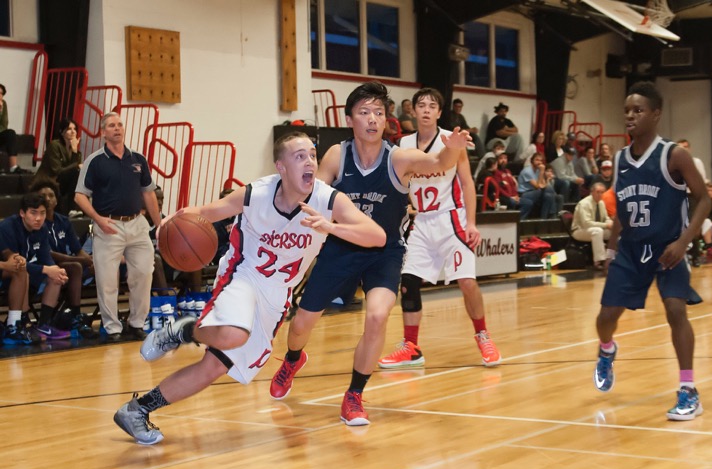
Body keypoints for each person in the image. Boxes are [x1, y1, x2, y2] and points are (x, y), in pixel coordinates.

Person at [115, 131, 386, 445]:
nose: (310, 161)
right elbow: (209, 211)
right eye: (300, 156)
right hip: (241, 276)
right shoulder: (255, 194)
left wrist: (330, 227)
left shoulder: (328, 200)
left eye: (312, 155)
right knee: (233, 334)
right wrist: (170, 222)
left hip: (276, 295)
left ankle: (137, 410)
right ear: (280, 167)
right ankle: (184, 331)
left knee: (214, 367)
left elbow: (377, 236)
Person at [266, 81, 472, 427]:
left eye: (379, 112)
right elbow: (313, 192)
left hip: (384, 251)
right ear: (351, 119)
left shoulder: (399, 158)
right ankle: (292, 359)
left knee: (377, 316)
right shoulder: (336, 156)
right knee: (302, 322)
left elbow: (438, 161)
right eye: (365, 112)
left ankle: (354, 395)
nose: (373, 119)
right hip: (341, 247)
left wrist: (451, 149)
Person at [593, 81, 711, 421]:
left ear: (656, 114)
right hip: (631, 250)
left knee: (676, 310)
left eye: (638, 110)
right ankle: (606, 350)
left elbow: (703, 198)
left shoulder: (674, 154)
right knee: (605, 319)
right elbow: (624, 212)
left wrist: (683, 241)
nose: (630, 116)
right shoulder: (619, 159)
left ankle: (688, 390)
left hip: (667, 249)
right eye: (627, 110)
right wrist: (613, 250)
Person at [377, 87, 499, 370]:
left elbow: (467, 183)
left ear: (440, 112)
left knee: (467, 281)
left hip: (451, 218)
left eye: (432, 105)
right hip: (420, 221)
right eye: (421, 105)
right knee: (408, 281)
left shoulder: (450, 140)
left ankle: (483, 335)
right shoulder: (404, 143)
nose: (426, 109)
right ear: (414, 110)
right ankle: (411, 346)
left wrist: (471, 222)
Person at [74, 112, 161, 341]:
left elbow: (149, 193)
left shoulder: (138, 159)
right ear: (103, 132)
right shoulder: (95, 161)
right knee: (107, 280)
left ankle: (136, 323)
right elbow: (80, 196)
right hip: (107, 224)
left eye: (120, 124)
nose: (117, 128)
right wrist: (98, 218)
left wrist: (160, 224)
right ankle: (112, 327)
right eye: (111, 125)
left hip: (137, 224)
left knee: (143, 273)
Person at [31, 179, 96, 338]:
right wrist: (84, 260)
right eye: (43, 196)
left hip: (65, 266)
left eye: (51, 195)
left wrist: (92, 262)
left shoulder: (63, 220)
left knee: (97, 267)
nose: (47, 198)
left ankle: (112, 319)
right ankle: (75, 315)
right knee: (75, 266)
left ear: (56, 199)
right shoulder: (37, 222)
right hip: (44, 266)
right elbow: (48, 254)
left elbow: (78, 250)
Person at [0, 193, 70, 341]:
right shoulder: (8, 227)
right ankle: (19, 323)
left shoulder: (42, 229)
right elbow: (14, 263)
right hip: (7, 274)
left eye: (42, 213)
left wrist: (54, 270)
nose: (38, 218)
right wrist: (46, 269)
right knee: (23, 271)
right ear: (22, 213)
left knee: (55, 275)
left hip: (26, 272)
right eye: (33, 213)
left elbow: (46, 258)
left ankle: (44, 324)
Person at [32, 118, 83, 215]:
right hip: (49, 180)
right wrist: (76, 164)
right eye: (69, 129)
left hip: (63, 182)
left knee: (80, 174)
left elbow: (74, 170)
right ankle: (73, 208)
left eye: (74, 129)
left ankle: (76, 209)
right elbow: (57, 170)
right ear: (62, 132)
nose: (73, 131)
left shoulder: (76, 151)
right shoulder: (54, 145)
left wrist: (75, 152)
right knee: (77, 171)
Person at [572, 182, 613, 270]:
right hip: (579, 230)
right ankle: (599, 261)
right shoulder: (584, 203)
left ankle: (612, 257)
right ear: (592, 192)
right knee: (598, 231)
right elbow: (586, 223)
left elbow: (606, 218)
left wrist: (610, 223)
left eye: (602, 192)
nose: (600, 194)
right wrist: (606, 225)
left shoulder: (601, 203)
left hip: (594, 228)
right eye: (598, 192)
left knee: (612, 232)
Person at [0, 83, 31, 174]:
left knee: (11, 133)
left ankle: (13, 167)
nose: (0, 95)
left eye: (1, 93)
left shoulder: (3, 104)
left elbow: (4, 124)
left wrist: (1, 110)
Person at [518, 153, 557, 219]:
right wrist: (542, 171)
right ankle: (553, 214)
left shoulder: (538, 170)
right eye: (537, 160)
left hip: (535, 192)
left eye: (540, 160)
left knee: (549, 196)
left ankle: (543, 219)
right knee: (545, 190)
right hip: (525, 193)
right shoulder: (527, 171)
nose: (539, 162)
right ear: (532, 161)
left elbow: (543, 184)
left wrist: (547, 180)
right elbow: (537, 186)